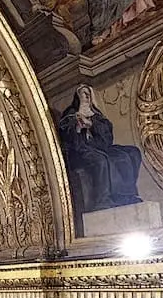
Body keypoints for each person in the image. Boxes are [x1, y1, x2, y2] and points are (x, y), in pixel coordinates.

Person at [57, 84, 142, 212]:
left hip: (100, 148)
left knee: (130, 153)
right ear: (78, 97)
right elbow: (67, 134)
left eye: (88, 94)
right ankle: (103, 199)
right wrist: (79, 127)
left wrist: (91, 124)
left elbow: (107, 136)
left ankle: (125, 195)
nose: (86, 97)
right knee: (100, 161)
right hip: (80, 150)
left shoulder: (96, 115)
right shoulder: (70, 114)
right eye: (83, 94)